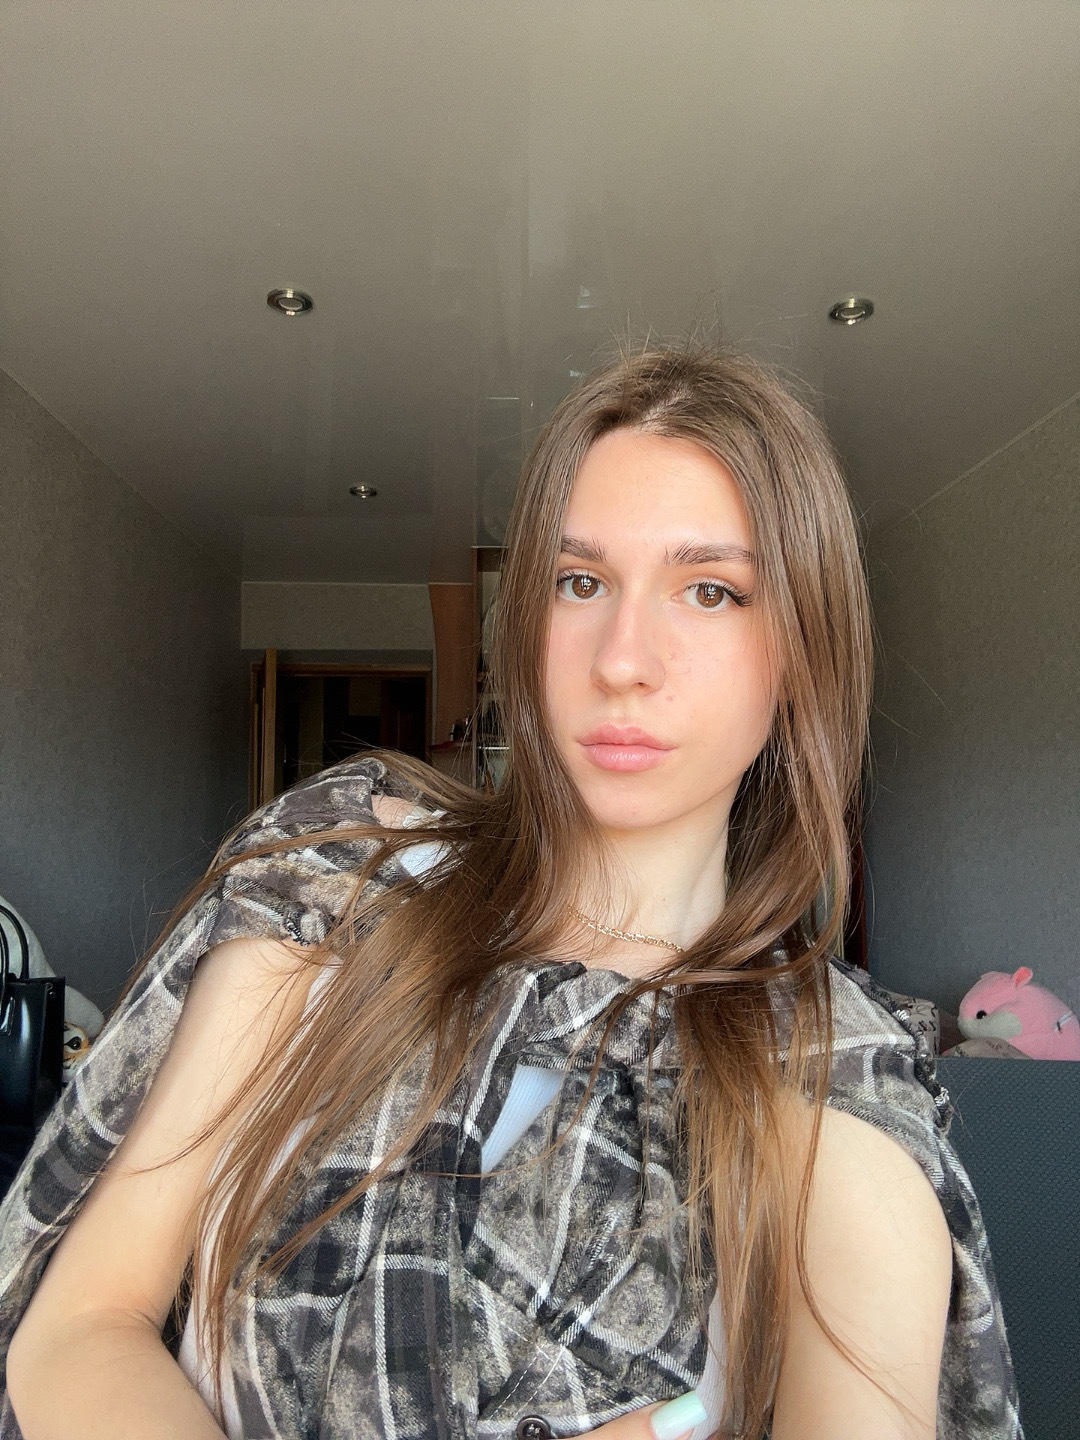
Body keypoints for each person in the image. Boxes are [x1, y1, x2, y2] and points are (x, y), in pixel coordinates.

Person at [0, 347, 1020, 1440]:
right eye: (581, 582)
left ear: (803, 654)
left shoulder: (832, 1082)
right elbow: (83, 1324)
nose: (622, 659)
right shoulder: (343, 874)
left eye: (710, 590)